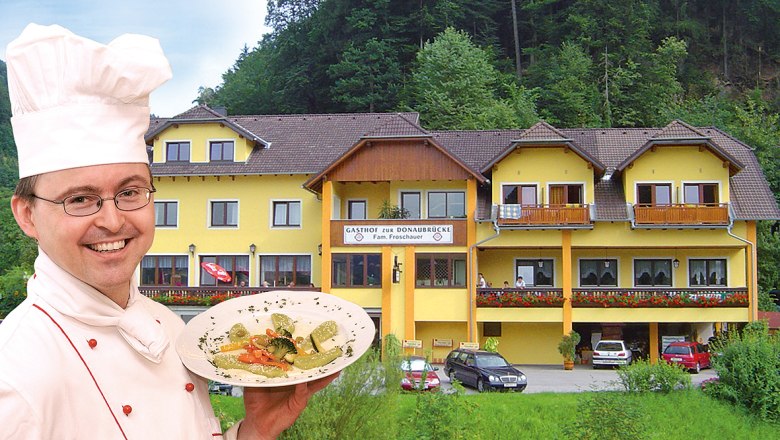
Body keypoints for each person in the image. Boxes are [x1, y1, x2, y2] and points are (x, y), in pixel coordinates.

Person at [0, 24, 336, 439]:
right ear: (27, 215)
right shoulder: (14, 373)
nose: (111, 220)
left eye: (130, 191)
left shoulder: (171, 329)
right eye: (80, 199)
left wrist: (255, 431)